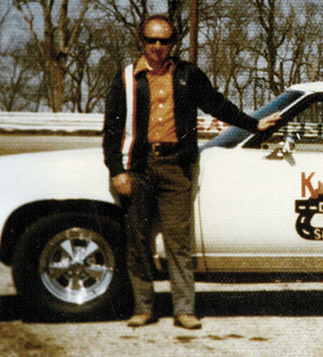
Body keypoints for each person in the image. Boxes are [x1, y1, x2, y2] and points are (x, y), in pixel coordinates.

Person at [102, 14, 281, 329]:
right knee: (137, 240)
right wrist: (117, 170)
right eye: (152, 40)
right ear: (141, 41)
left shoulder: (188, 75)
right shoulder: (126, 79)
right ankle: (143, 307)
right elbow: (112, 130)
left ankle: (184, 309)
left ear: (173, 43)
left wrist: (254, 124)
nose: (158, 46)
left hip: (177, 167)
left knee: (179, 242)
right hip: (138, 168)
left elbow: (217, 104)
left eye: (165, 40)